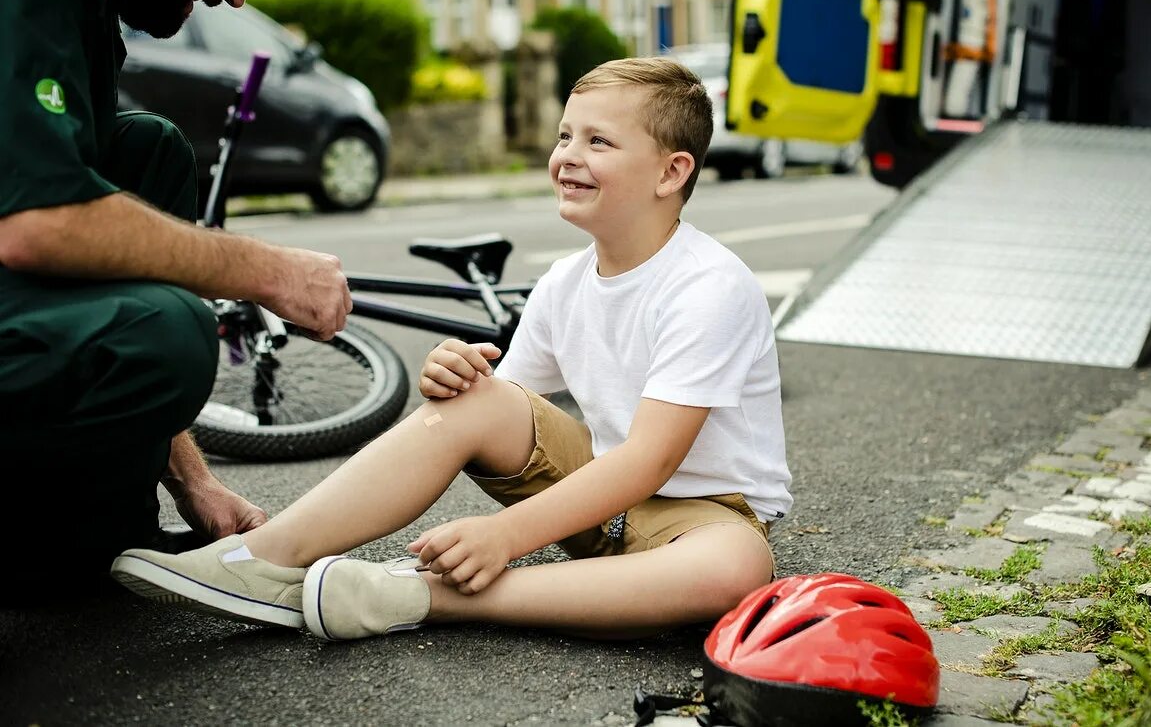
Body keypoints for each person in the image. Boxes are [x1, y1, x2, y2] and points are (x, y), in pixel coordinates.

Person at [111, 57, 792, 640]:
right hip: (600, 503)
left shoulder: (709, 285)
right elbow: (503, 408)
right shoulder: (567, 280)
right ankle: (258, 559)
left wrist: (504, 538)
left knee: (736, 567)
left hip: (698, 522)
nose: (567, 156)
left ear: (672, 172)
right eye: (564, 135)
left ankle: (418, 593)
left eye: (599, 142)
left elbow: (648, 461)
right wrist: (456, 380)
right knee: (476, 395)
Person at [0, 0, 352, 594]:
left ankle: (93, 541)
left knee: (147, 149)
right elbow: (34, 222)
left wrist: (195, 480)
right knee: (165, 332)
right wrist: (268, 268)